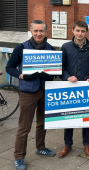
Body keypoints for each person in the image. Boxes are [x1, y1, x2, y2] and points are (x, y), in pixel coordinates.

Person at [6, 20, 56, 170]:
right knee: (24, 127)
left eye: (41, 31)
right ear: (31, 32)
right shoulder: (21, 48)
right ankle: (19, 157)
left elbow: (56, 69)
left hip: (45, 90)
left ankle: (40, 147)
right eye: (36, 31)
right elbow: (9, 67)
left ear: (46, 32)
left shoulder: (51, 49)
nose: (39, 34)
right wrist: (21, 75)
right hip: (28, 92)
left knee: (43, 122)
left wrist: (51, 75)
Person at [58, 21, 89, 158]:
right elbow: (60, 67)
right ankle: (67, 144)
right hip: (70, 87)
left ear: (86, 32)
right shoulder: (65, 47)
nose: (80, 33)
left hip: (85, 86)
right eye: (77, 30)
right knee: (69, 117)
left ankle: (86, 144)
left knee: (86, 116)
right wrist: (66, 77)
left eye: (82, 31)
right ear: (72, 30)